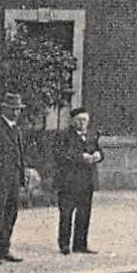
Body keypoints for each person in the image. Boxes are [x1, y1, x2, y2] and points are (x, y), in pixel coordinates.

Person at [0, 91, 36, 265]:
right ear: (4, 109)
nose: (15, 113)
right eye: (12, 109)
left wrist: (23, 174)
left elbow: (19, 154)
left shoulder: (17, 130)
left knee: (11, 214)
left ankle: (3, 249)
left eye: (18, 109)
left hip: (13, 178)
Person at [53, 107, 103, 254]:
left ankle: (80, 244)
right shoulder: (63, 136)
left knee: (84, 214)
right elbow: (60, 155)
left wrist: (98, 156)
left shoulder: (92, 136)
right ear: (73, 121)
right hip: (69, 182)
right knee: (66, 214)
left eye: (85, 120)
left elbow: (100, 151)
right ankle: (64, 244)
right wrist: (81, 158)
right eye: (79, 120)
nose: (82, 123)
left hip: (87, 182)